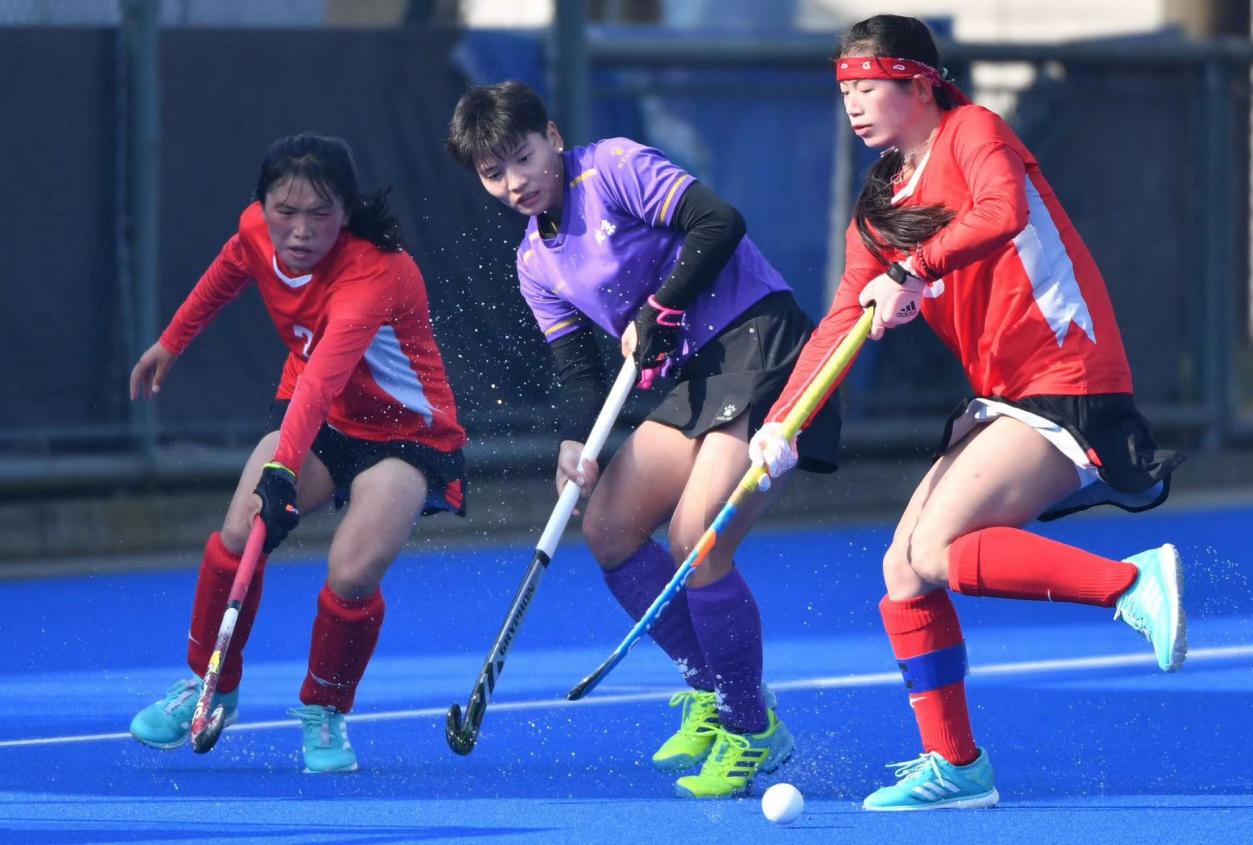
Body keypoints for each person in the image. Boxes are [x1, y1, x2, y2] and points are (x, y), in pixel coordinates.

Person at [750, 14, 1186, 811]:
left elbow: (1001, 210)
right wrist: (782, 422)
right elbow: (843, 319)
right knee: (902, 569)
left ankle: (1129, 582)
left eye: (868, 87)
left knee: (937, 548)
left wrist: (912, 270)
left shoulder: (972, 131)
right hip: (1005, 395)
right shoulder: (879, 207)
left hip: (1067, 371)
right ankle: (956, 766)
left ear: (919, 85)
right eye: (844, 91)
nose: (853, 105)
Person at [447, 81, 843, 799]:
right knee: (608, 527)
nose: (514, 182)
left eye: (522, 157)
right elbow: (577, 369)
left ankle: (751, 729)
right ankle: (713, 690)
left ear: (552, 136)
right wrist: (573, 442)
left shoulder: (613, 167)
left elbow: (718, 222)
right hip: (693, 375)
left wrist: (662, 305)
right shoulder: (535, 264)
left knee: (698, 538)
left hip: (760, 341)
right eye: (492, 173)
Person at [127, 132, 467, 773]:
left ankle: (325, 711)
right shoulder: (256, 230)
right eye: (286, 211)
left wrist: (282, 469)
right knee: (239, 530)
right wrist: (172, 341)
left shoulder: (376, 273)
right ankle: (209, 686)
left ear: (347, 211)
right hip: (323, 416)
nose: (302, 230)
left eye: (321, 213)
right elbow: (230, 267)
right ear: (263, 206)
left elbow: (324, 377)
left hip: (405, 434)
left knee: (352, 571)